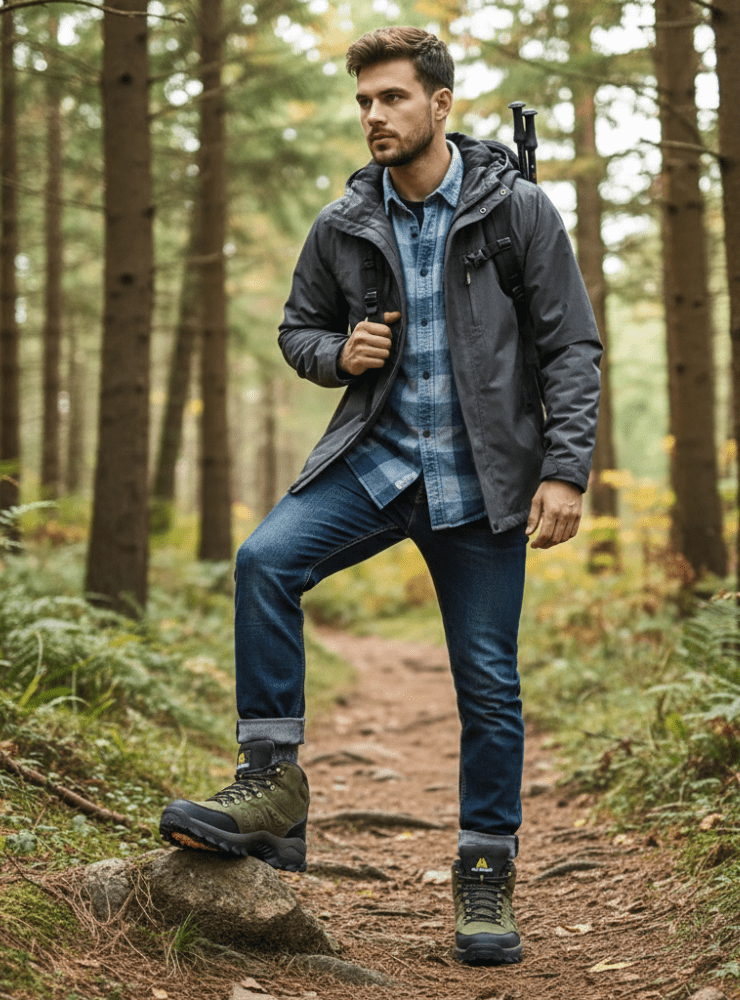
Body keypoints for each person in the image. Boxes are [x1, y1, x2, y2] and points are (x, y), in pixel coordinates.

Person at [160, 26, 601, 966]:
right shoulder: (343, 222)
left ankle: (485, 874)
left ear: (441, 105)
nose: (373, 116)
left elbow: (572, 349)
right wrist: (337, 353)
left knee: (488, 684)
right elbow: (297, 329)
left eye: (392, 98)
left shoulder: (518, 212)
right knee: (265, 561)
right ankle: (271, 785)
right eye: (364, 100)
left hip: (486, 484)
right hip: (377, 463)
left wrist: (564, 471)